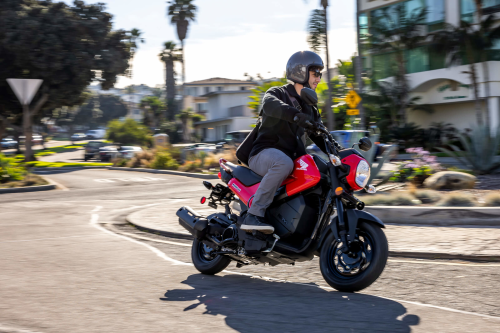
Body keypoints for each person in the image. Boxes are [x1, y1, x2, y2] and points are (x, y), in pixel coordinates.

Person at [240, 50, 334, 234]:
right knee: (283, 163)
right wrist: (296, 116)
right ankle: (254, 214)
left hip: (289, 159)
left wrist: (338, 153)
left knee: (319, 170)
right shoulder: (278, 93)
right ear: (301, 72)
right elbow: (269, 105)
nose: (319, 78)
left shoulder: (312, 109)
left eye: (320, 74)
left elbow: (321, 136)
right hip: (263, 154)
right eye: (316, 73)